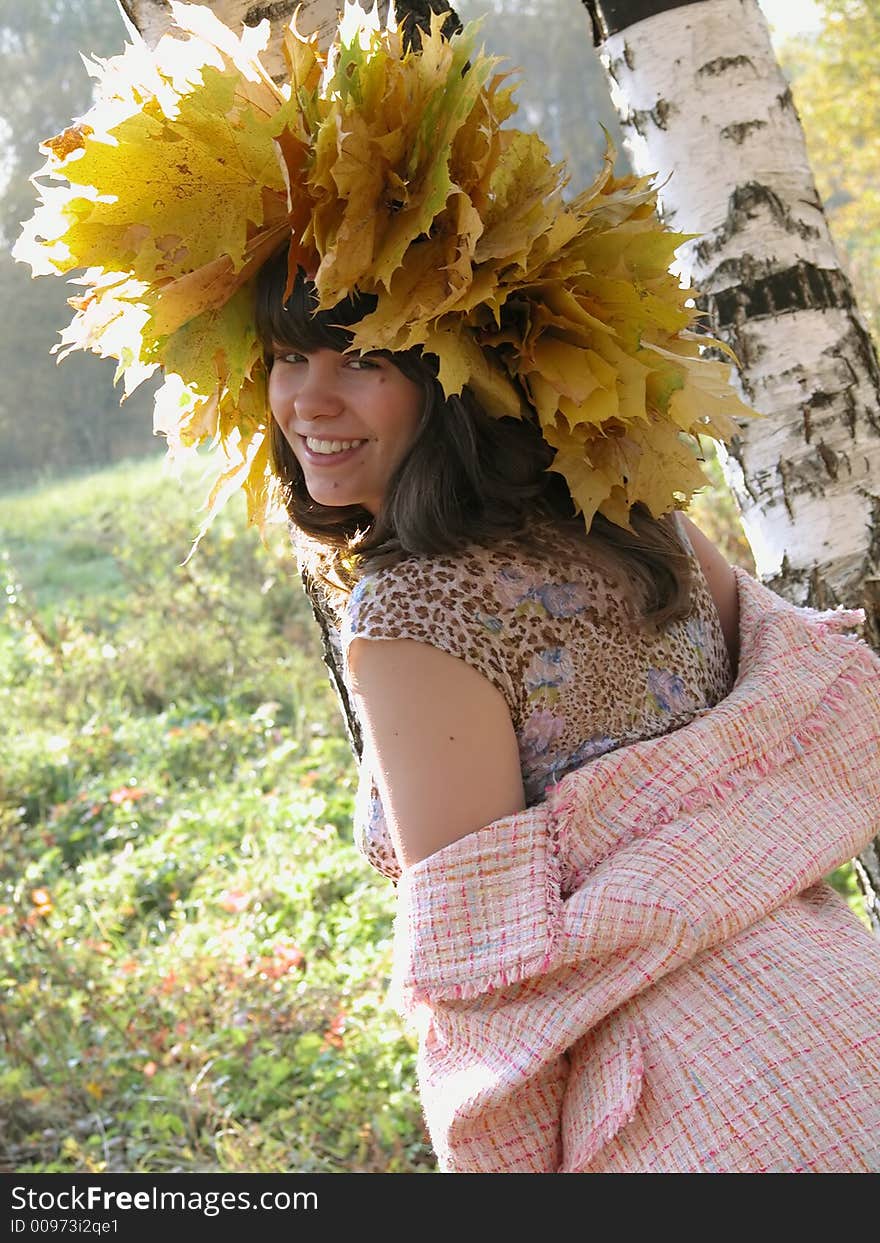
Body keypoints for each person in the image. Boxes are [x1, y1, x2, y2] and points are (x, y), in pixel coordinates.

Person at [16, 2, 880, 1173]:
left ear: (455, 373)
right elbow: (808, 700)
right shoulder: (631, 508)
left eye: (364, 357)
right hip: (840, 1013)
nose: (307, 402)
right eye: (287, 357)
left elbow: (488, 992)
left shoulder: (418, 616)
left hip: (688, 1109)